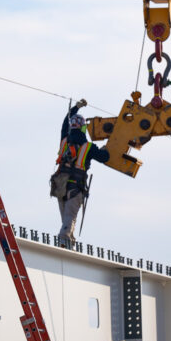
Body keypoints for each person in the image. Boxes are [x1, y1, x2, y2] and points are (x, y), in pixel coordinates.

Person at [54, 99, 109, 249]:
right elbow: (105, 158)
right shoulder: (88, 147)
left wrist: (76, 107)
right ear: (84, 128)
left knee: (66, 217)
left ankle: (69, 240)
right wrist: (104, 149)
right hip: (75, 187)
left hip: (59, 185)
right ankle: (64, 240)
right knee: (70, 217)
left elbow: (65, 123)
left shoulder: (64, 140)